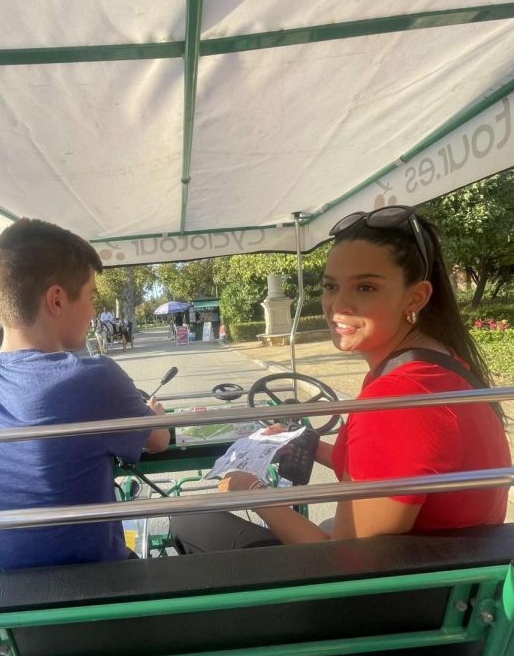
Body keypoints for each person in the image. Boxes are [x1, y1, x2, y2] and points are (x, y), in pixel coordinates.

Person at [171, 205, 510, 552]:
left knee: (187, 519)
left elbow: (344, 555)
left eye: (365, 287)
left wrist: (253, 491)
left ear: (417, 296)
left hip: (396, 593)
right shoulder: (436, 364)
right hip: (445, 572)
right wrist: (308, 444)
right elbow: (388, 470)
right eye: (331, 286)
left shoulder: (397, 398)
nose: (338, 306)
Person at [0, 218, 169, 656]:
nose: (93, 311)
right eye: (89, 296)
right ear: (56, 300)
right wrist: (151, 414)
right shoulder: (90, 377)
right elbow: (157, 441)